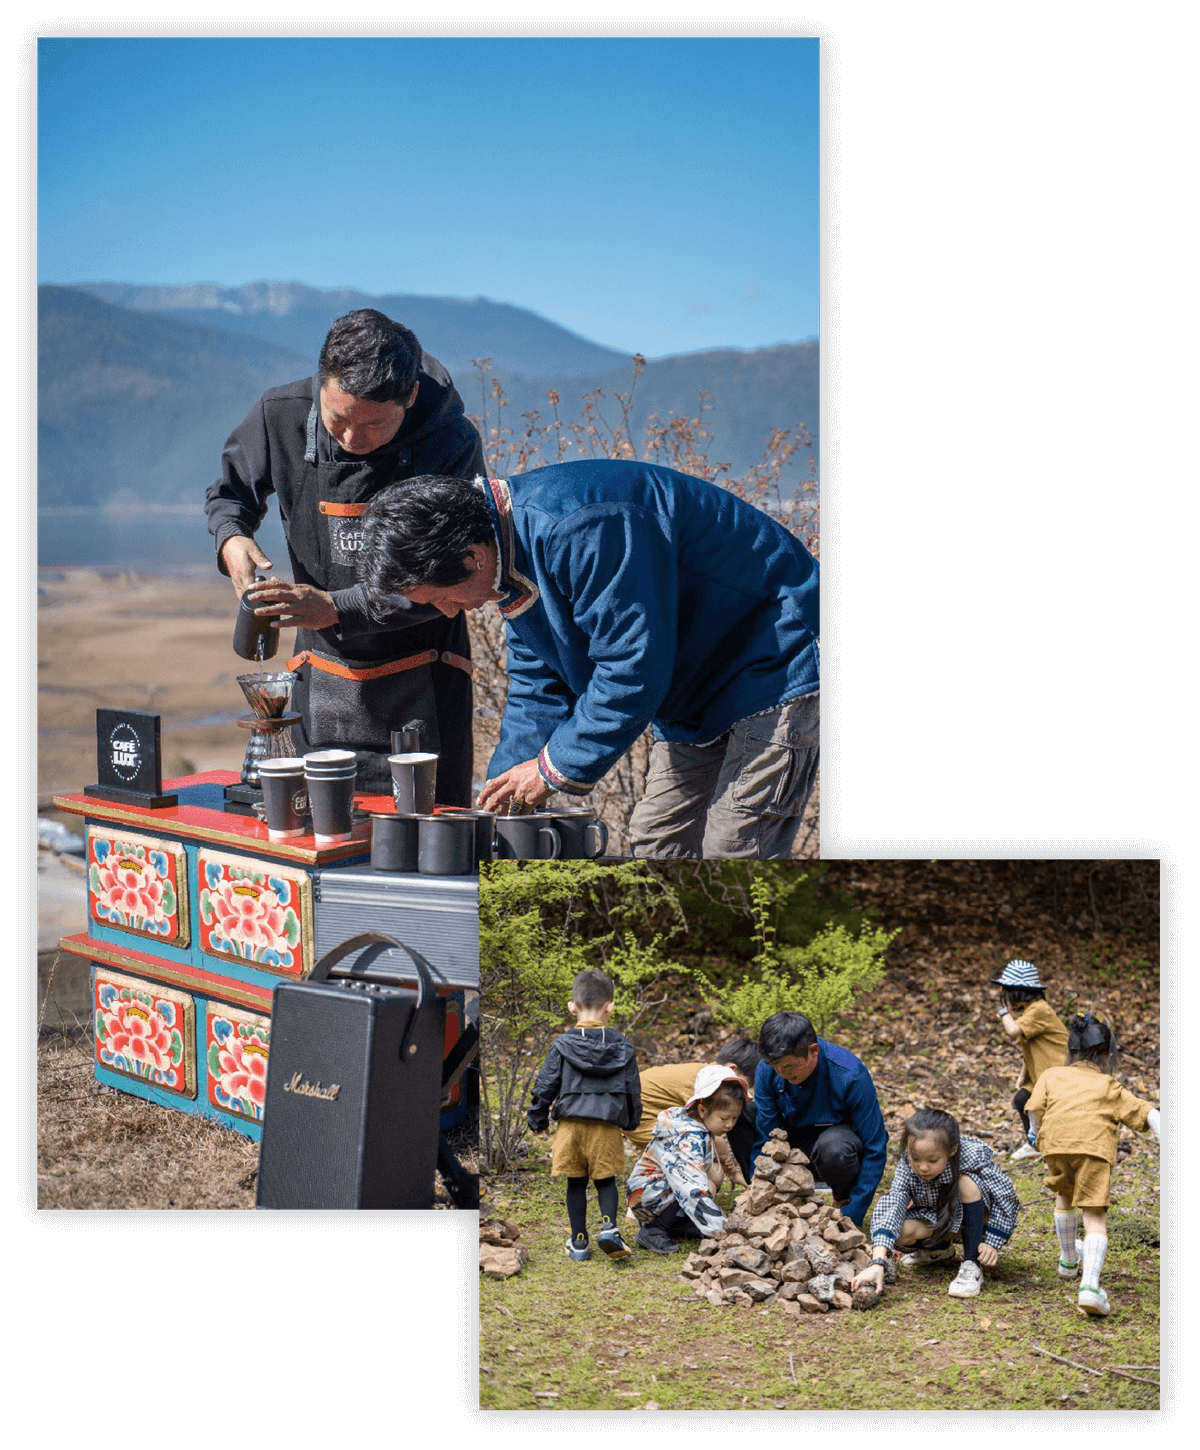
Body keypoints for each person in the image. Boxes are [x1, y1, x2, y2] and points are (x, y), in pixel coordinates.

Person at [356, 462, 819, 858]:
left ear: (472, 557)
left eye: (442, 597)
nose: (449, 612)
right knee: (657, 840)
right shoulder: (506, 555)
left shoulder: (581, 526)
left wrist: (551, 769)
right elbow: (539, 680)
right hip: (700, 687)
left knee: (736, 849)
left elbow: (631, 669)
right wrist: (503, 797)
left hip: (774, 659)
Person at [204, 309, 485, 801]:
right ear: (320, 384)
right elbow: (229, 496)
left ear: (411, 396)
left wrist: (337, 607)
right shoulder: (280, 415)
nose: (353, 439)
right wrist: (232, 538)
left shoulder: (451, 443)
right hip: (322, 674)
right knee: (321, 834)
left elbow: (456, 575)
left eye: (374, 425)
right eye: (338, 419)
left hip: (425, 675)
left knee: (430, 843)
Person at [1026, 1014, 1161, 1316]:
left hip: (1054, 1145)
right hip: (1093, 1149)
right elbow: (1146, 1111)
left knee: (1064, 1192)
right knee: (1094, 1212)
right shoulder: (1107, 1084)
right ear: (1106, 1054)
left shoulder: (1051, 1075)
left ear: (1071, 1052)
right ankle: (1089, 1287)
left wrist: (1034, 1132)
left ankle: (1069, 1259)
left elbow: (1034, 1110)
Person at [527, 968, 642, 1262]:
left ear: (572, 1007)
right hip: (605, 1127)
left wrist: (537, 1117)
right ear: (610, 1008)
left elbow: (546, 1084)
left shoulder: (562, 1045)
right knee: (606, 1180)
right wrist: (631, 1121)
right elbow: (632, 1088)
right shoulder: (622, 1046)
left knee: (575, 1182)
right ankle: (610, 1228)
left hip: (570, 1126)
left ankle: (579, 1243)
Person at [852, 1108, 1021, 1301]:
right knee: (900, 1231)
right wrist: (878, 1261)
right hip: (938, 1219)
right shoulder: (907, 1166)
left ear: (952, 1150)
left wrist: (992, 1242)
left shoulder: (971, 1157)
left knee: (967, 1183)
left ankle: (971, 1263)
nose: (922, 1167)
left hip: (978, 1220)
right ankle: (938, 1250)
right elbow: (893, 1204)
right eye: (916, 1159)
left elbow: (1005, 1197)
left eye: (932, 1160)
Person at [750, 1011, 887, 1229]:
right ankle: (784, 1202)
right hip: (792, 1146)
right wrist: (758, 1192)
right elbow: (766, 1136)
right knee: (741, 1112)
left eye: (788, 1067)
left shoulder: (850, 1074)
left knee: (834, 1147)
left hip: (836, 1151)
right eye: (775, 1067)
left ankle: (843, 1201)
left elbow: (875, 1147)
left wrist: (854, 1214)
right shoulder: (768, 1069)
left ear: (812, 1051)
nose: (781, 1073)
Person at [626, 1064, 747, 1254]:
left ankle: (677, 1225)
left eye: (734, 1118)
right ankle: (652, 1230)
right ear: (702, 1110)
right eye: (724, 1119)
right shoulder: (687, 1138)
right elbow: (691, 1188)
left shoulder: (697, 1125)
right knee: (704, 1183)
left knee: (714, 1176)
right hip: (644, 1200)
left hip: (653, 1196)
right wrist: (721, 1229)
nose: (730, 1125)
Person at [625, 1039, 760, 1183]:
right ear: (732, 1068)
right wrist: (732, 1171)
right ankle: (673, 1192)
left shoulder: (706, 1072)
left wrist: (724, 1162)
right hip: (639, 1116)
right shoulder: (708, 1083)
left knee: (710, 1163)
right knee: (698, 1159)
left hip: (643, 1108)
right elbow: (712, 1128)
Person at [991, 958, 1070, 1161]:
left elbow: (1013, 1030)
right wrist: (1022, 1075)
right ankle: (1035, 1144)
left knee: (1053, 1109)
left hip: (1058, 1071)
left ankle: (1060, 1146)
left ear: (1017, 991)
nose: (1004, 996)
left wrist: (1003, 1012)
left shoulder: (1039, 1010)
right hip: (1041, 1073)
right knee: (1022, 1099)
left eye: (1006, 992)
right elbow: (1030, 1048)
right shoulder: (1031, 1011)